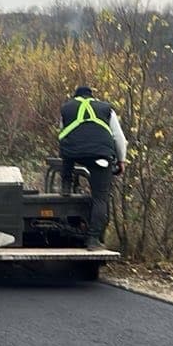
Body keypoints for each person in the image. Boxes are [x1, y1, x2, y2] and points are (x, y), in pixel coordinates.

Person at [57, 86, 129, 249]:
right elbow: (119, 137)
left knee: (67, 153)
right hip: (101, 156)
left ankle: (66, 186)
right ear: (92, 96)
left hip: (73, 154)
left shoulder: (66, 108)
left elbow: (62, 134)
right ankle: (93, 239)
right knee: (100, 198)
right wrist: (121, 161)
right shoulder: (106, 108)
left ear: (75, 96)